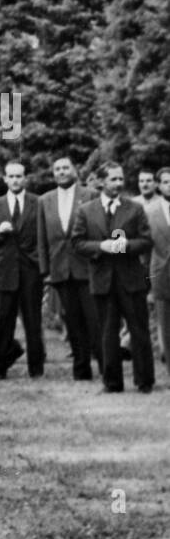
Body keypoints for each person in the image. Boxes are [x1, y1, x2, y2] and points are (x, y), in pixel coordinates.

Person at [72, 163, 155, 393]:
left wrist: (126, 245)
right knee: (107, 332)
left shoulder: (134, 208)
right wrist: (102, 246)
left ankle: (144, 380)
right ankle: (112, 382)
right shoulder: (86, 211)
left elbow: (147, 241)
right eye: (113, 179)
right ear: (101, 182)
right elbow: (77, 243)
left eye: (121, 179)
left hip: (131, 279)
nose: (119, 183)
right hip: (102, 280)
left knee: (138, 330)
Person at [36, 156, 101, 381]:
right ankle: (81, 369)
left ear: (74, 170)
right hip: (60, 270)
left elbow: (98, 230)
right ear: (53, 173)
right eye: (57, 169)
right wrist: (46, 270)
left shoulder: (90, 195)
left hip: (87, 267)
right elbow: (42, 237)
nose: (62, 172)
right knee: (72, 322)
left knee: (95, 320)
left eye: (66, 167)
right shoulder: (45, 200)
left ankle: (105, 365)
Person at [0, 162, 44, 379]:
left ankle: (36, 369)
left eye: (19, 176)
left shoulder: (38, 203)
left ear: (25, 178)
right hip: (5, 270)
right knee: (2, 321)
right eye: (11, 176)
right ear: (5, 179)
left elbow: (42, 235)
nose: (16, 180)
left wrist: (38, 262)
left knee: (33, 321)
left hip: (30, 270)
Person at [149, 168, 170, 370]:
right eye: (165, 182)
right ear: (159, 185)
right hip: (161, 275)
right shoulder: (150, 211)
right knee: (166, 325)